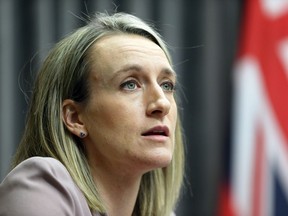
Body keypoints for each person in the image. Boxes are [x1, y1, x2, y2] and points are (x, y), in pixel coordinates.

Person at [0, 12, 185, 216]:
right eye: (130, 84)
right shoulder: (41, 186)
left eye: (166, 85)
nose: (161, 103)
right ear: (75, 118)